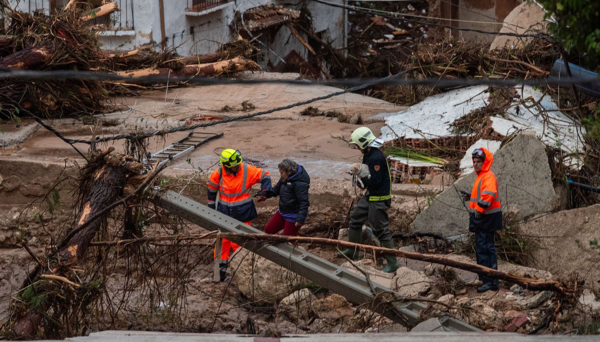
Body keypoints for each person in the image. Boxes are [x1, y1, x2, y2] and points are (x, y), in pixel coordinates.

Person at [336, 127, 399, 273]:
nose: (357, 148)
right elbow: (368, 173)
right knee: (355, 219)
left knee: (380, 230)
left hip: (379, 198)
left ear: (364, 143)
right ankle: (353, 251)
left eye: (357, 145)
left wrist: (361, 180)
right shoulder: (369, 154)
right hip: (371, 195)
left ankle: (393, 263)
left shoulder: (376, 157)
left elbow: (375, 180)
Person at [207, 149, 272, 281]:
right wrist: (211, 212)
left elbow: (265, 175)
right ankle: (219, 275)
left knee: (241, 245)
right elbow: (211, 193)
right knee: (221, 244)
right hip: (224, 215)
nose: (237, 167)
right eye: (234, 166)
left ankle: (243, 276)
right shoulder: (217, 175)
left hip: (243, 215)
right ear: (226, 166)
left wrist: (265, 191)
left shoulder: (246, 170)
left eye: (238, 165)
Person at [461, 147, 502, 292]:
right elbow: (482, 196)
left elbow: (488, 196)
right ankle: (487, 279)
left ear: (484, 162)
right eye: (474, 161)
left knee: (485, 249)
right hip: (483, 220)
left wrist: (478, 210)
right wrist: (470, 198)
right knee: (483, 249)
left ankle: (490, 281)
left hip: (486, 220)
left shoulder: (488, 176)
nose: (476, 164)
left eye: (478, 161)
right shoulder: (482, 176)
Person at [263, 159, 310, 237]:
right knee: (268, 230)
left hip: (293, 215)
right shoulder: (284, 177)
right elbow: (275, 190)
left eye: (282, 173)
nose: (281, 175)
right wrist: (264, 194)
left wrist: (300, 219)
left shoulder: (300, 184)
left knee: (288, 240)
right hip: (282, 211)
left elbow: (304, 202)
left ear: (288, 171)